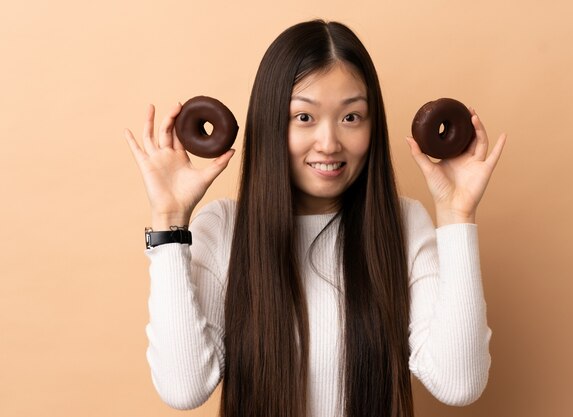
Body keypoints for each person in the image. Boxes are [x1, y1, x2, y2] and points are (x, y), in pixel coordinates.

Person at [124, 19, 506, 417]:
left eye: (351, 117)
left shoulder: (403, 224)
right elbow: (183, 389)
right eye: (304, 117)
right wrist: (169, 221)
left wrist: (457, 214)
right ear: (271, 123)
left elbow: (460, 383)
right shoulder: (224, 229)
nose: (329, 143)